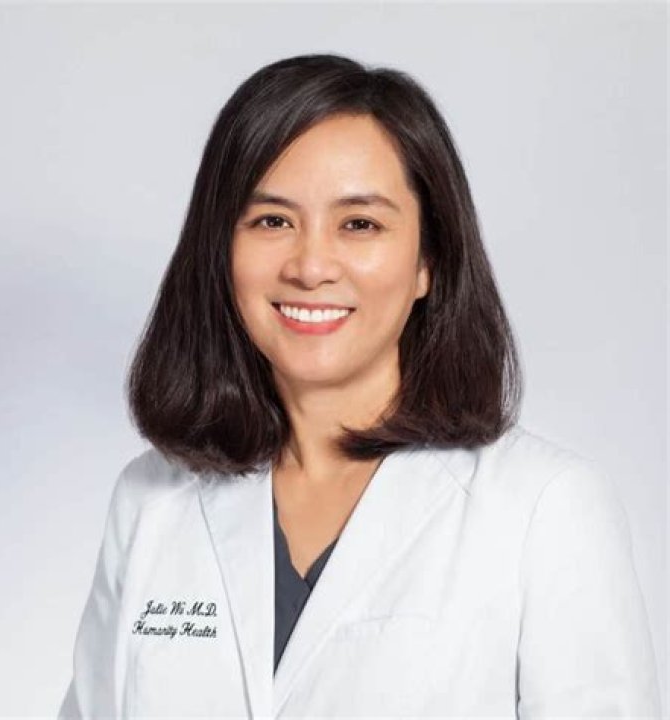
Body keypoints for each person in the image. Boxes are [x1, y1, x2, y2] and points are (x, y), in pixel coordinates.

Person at [58, 53, 661, 718]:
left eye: (360, 224)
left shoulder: (543, 507)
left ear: (428, 261)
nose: (311, 266)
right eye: (272, 221)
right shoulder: (150, 500)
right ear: (220, 251)